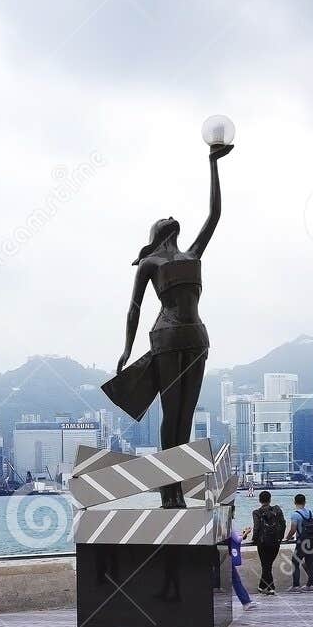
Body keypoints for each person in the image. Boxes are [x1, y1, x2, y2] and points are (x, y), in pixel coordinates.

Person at [102, 133, 230, 508]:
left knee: (186, 418)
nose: (171, 216)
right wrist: (127, 347)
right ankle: (168, 490)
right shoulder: (150, 263)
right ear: (159, 234)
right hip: (167, 339)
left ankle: (176, 486)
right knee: (171, 413)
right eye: (165, 219)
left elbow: (215, 215)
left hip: (197, 338)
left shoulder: (193, 253)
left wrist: (213, 163)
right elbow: (134, 308)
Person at [247, 490, 286, 596]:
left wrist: (254, 539)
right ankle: (262, 586)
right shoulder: (277, 510)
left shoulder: (256, 512)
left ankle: (271, 587)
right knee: (267, 565)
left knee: (266, 565)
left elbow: (257, 527)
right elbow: (283, 524)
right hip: (275, 542)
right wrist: (280, 537)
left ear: (260, 500)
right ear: (270, 499)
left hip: (263, 543)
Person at [283, 494, 313, 591]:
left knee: (295, 562)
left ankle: (296, 585)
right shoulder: (311, 512)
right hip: (312, 541)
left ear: (295, 502)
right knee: (310, 562)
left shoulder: (295, 515)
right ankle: (311, 585)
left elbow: (293, 529)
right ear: (305, 502)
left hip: (301, 542)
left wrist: (287, 538)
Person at [225, 525, 257, 610]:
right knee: (236, 580)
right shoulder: (228, 526)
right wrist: (246, 532)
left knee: (234, 579)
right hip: (227, 556)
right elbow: (238, 539)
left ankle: (245, 601)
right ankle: (245, 602)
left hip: (223, 555)